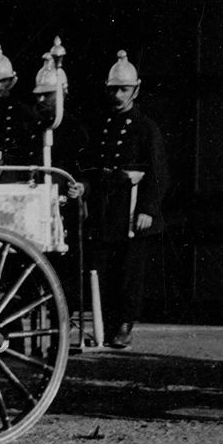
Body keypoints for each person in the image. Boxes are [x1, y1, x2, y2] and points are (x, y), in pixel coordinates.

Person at [85, 51, 168, 351]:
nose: (118, 95)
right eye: (113, 89)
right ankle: (104, 326)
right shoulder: (101, 125)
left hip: (132, 209)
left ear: (136, 89)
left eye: (124, 89)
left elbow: (158, 171)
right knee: (104, 269)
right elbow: (91, 165)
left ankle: (124, 325)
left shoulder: (146, 127)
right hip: (107, 207)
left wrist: (148, 208)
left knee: (129, 272)